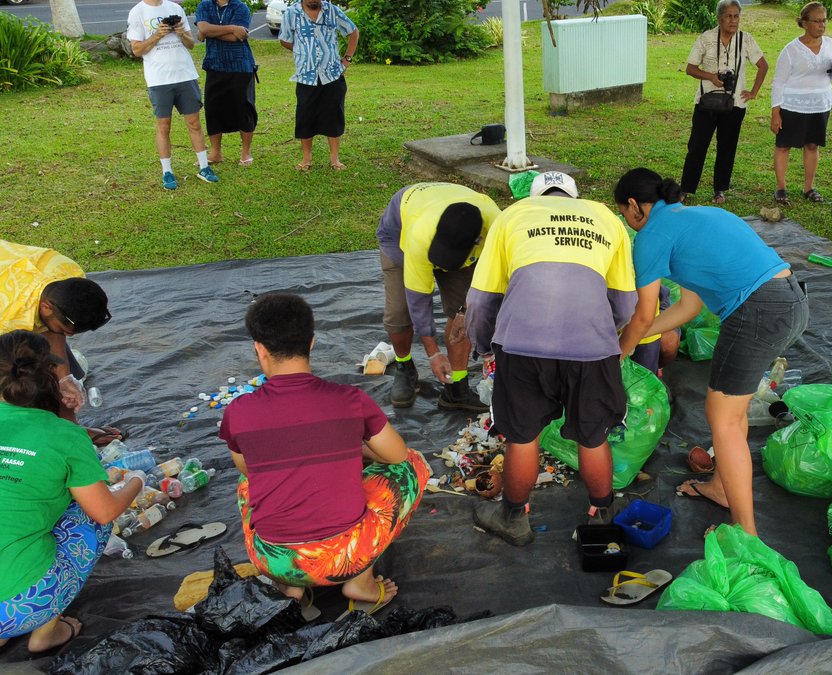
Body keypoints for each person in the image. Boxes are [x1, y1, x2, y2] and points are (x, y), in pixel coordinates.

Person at [614, 168, 808, 538]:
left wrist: (617, 354)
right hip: (791, 301)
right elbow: (687, 309)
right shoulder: (699, 216)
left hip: (756, 311)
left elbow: (642, 315)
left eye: (624, 213)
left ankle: (745, 532)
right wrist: (631, 337)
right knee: (731, 413)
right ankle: (721, 487)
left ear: (635, 206)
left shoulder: (651, 236)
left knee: (724, 419)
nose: (629, 221)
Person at [219, 293, 429, 611]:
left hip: (272, 558)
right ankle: (361, 582)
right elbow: (397, 455)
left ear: (259, 349)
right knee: (413, 465)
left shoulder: (238, 411)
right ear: (312, 343)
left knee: (248, 482)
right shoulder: (349, 400)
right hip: (344, 559)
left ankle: (289, 587)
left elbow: (248, 469)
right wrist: (356, 450)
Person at [466, 171, 636, 546]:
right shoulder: (607, 218)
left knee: (523, 436)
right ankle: (602, 515)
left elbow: (479, 302)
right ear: (573, 197)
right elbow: (625, 305)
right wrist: (603, 333)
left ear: (537, 196)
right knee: (593, 437)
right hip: (592, 349)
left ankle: (513, 517)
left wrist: (484, 349)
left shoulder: (513, 215)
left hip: (523, 347)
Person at [0, 331, 142, 654]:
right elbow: (104, 511)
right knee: (91, 512)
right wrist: (135, 482)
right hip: (25, 601)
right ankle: (45, 632)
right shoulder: (64, 435)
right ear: (51, 376)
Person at [376, 183, 500, 411]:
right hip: (400, 229)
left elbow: (493, 277)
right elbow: (419, 301)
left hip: (461, 228)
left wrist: (464, 310)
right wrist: (433, 354)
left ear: (478, 241)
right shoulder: (419, 236)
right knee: (399, 312)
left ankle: (456, 389)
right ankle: (405, 368)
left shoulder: (496, 227)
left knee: (469, 313)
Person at [0, 240, 122, 446]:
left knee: (54, 369)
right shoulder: (8, 313)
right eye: (64, 330)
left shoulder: (68, 273)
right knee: (18, 378)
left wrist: (65, 379)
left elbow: (52, 333)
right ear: (46, 307)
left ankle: (69, 429)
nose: (70, 337)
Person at [681, 0, 769, 205]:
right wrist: (711, 77)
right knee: (697, 145)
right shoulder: (706, 38)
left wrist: (753, 92)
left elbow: (763, 66)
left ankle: (719, 189)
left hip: (735, 103)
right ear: (719, 18)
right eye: (728, 16)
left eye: (736, 16)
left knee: (727, 147)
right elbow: (690, 68)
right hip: (707, 102)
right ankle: (685, 188)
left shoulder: (745, 39)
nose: (733, 20)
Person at [127, 0, 220, 190]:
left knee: (194, 123)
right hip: (159, 79)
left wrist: (180, 33)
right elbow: (136, 50)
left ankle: (204, 167)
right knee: (164, 126)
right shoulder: (137, 12)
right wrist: (157, 35)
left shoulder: (175, 8)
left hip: (185, 75)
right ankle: (167, 171)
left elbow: (191, 44)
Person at [770, 1, 832, 205]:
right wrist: (775, 112)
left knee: (812, 145)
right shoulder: (790, 50)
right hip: (792, 105)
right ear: (804, 23)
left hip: (820, 104)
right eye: (817, 21)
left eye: (824, 20)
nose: (822, 25)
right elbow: (778, 82)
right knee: (784, 145)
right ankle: (780, 187)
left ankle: (809, 187)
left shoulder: (829, 44)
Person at [280, 0, 359, 171]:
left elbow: (353, 32)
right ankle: (306, 159)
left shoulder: (332, 11)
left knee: (334, 115)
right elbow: (284, 40)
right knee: (305, 116)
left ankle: (334, 159)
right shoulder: (291, 13)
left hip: (332, 75)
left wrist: (347, 60)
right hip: (305, 76)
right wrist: (301, 49)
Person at [196, 0, 258, 167]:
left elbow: (236, 37)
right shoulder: (204, 5)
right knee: (213, 109)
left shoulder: (241, 7)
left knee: (244, 108)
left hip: (241, 65)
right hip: (214, 64)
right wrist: (232, 27)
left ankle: (246, 152)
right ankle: (216, 153)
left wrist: (209, 31)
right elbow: (203, 29)